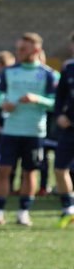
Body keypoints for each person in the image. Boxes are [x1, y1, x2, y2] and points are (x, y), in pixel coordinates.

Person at [0, 33, 57, 227]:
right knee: (3, 170)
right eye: (18, 48)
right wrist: (3, 103)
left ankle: (23, 212)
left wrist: (37, 99)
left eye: (23, 49)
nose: (19, 52)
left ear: (36, 50)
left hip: (34, 131)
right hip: (11, 130)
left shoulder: (48, 74)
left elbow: (55, 103)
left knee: (29, 171)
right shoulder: (9, 72)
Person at [54, 40, 74, 227]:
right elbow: (59, 96)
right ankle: (68, 209)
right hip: (69, 128)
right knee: (60, 168)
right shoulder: (68, 68)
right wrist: (59, 114)